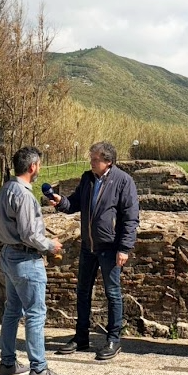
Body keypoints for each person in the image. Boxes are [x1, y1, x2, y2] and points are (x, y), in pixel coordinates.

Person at [50, 141, 139, 360]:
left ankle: (114, 339)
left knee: (112, 293)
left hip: (110, 248)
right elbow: (74, 204)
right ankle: (81, 337)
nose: (91, 162)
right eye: (91, 158)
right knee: (82, 291)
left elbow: (130, 218)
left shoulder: (123, 181)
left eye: (95, 159)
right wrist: (61, 202)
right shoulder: (87, 178)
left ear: (108, 161)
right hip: (88, 247)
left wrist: (124, 248)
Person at [0, 146, 68, 375]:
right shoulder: (25, 196)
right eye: (39, 165)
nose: (40, 169)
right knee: (35, 314)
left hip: (9, 255)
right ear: (33, 166)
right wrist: (50, 245)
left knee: (12, 311)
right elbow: (29, 235)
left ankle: (7, 364)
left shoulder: (6, 189)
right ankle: (38, 370)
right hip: (26, 260)